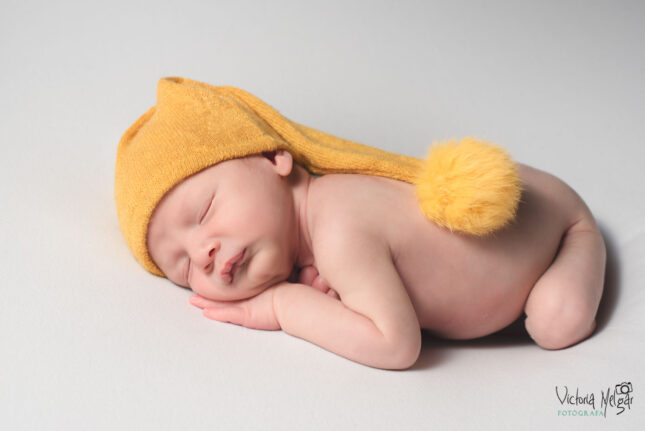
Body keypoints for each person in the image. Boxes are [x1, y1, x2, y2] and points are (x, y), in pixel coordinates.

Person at [115, 77, 606, 370]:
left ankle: (584, 242)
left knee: (556, 320)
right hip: (534, 207)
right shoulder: (326, 226)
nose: (202, 253)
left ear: (273, 159)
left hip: (560, 229)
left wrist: (285, 306)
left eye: (204, 212)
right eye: (182, 268)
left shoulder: (339, 227)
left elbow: (395, 344)